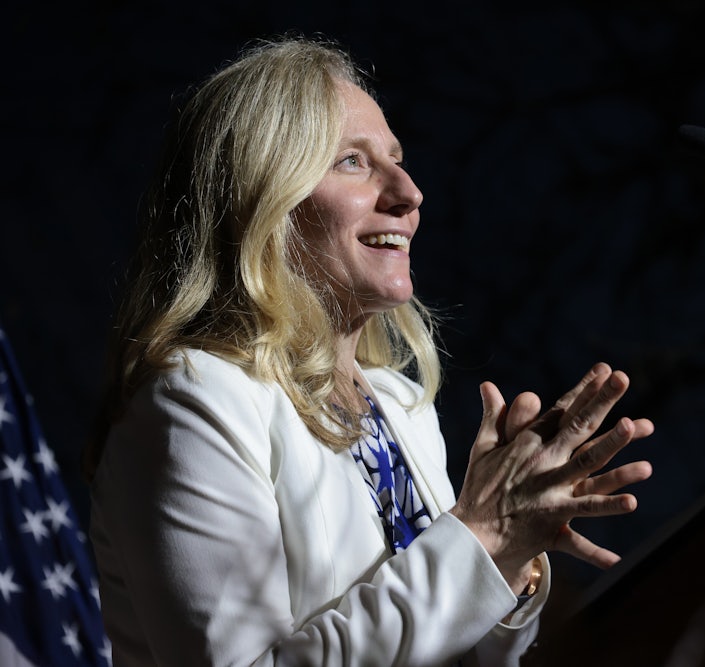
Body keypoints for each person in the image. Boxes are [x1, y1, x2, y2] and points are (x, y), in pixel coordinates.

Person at [84, 35, 654, 667]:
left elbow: (452, 647)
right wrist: (480, 536)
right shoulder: (194, 400)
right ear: (260, 199)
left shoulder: (399, 403)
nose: (408, 193)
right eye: (353, 161)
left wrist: (510, 555)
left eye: (397, 159)